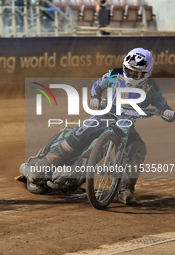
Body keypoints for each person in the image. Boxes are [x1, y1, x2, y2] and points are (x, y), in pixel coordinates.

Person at [24, 48, 174, 205]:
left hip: (126, 125)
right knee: (78, 136)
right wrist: (95, 97)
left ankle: (126, 190)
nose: (131, 75)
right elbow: (98, 86)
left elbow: (162, 105)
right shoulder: (114, 74)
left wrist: (167, 112)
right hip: (104, 116)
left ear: (146, 74)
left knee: (138, 148)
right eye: (129, 71)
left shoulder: (151, 87)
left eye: (136, 73)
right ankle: (40, 168)